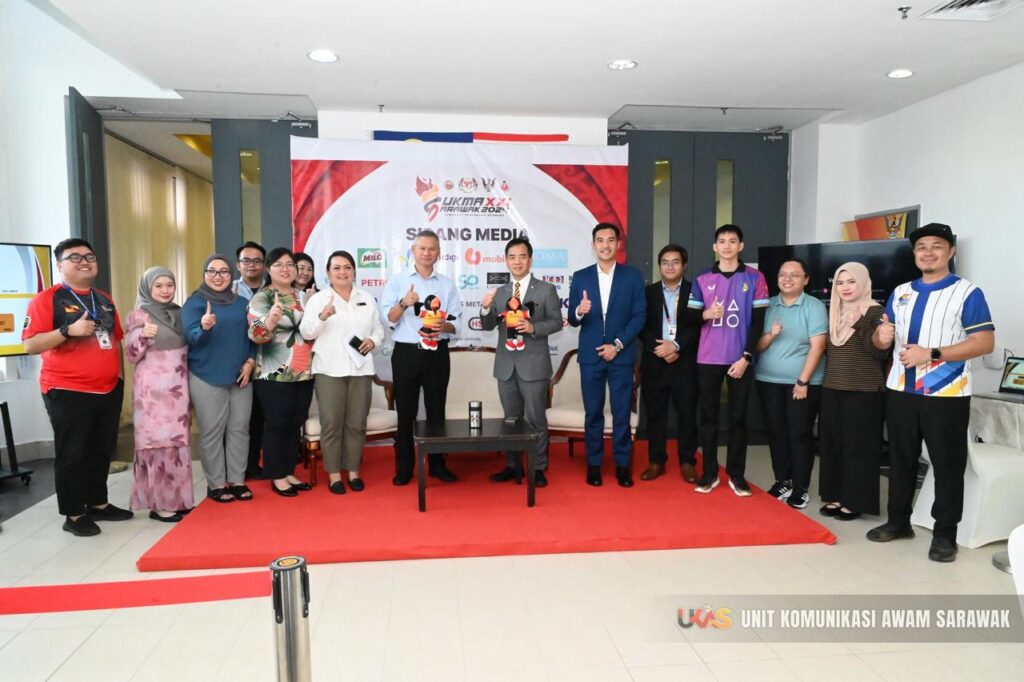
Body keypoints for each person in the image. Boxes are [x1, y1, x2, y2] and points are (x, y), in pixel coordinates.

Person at [868, 223, 995, 562]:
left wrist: (933, 354)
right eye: (921, 247)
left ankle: (945, 535)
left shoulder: (967, 293)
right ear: (914, 254)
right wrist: (880, 338)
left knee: (947, 465)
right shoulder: (900, 292)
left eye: (936, 246)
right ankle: (898, 522)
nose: (928, 252)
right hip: (900, 389)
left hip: (946, 393)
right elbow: (882, 338)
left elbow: (984, 342)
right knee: (901, 459)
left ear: (951, 251)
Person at [22, 238, 132, 536]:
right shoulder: (47, 299)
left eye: (90, 257)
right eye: (75, 257)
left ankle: (98, 503)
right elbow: (31, 344)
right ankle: (73, 514)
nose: (85, 262)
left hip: (108, 389)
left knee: (101, 449)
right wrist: (67, 330)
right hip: (67, 390)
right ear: (60, 265)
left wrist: (119, 380)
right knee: (72, 453)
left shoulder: (103, 298)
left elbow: (115, 340)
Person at [687, 224, 769, 496]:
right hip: (708, 358)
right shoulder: (702, 278)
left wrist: (747, 356)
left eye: (732, 241)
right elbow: (690, 317)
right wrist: (706, 314)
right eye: (722, 241)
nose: (727, 246)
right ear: (715, 247)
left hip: (740, 359)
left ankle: (736, 474)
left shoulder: (755, 278)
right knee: (708, 418)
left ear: (740, 246)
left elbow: (758, 322)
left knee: (738, 419)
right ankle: (709, 473)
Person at [567, 223, 646, 487]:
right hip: (590, 357)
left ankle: (622, 465)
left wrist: (618, 344)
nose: (605, 245)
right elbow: (572, 319)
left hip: (620, 356)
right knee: (593, 413)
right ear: (593, 245)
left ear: (618, 244)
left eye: (610, 240)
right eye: (600, 240)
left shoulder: (632, 276)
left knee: (621, 413)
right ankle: (594, 465)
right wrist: (579, 310)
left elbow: (639, 316)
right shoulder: (581, 277)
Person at [380, 229, 461, 485]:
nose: (427, 253)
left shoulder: (446, 284)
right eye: (422, 248)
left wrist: (444, 326)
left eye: (432, 249)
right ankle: (404, 468)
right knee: (406, 412)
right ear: (413, 251)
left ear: (438, 253)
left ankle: (437, 465)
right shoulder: (398, 281)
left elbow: (457, 324)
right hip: (407, 353)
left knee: (436, 410)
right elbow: (388, 319)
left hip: (437, 352)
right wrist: (404, 303)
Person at [299, 250, 384, 494]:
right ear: (327, 273)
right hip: (329, 370)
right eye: (336, 268)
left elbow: (379, 329)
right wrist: (322, 317)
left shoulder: (366, 298)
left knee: (357, 423)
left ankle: (353, 471)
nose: (342, 272)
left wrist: (373, 340)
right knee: (332, 423)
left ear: (354, 271)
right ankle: (334, 474)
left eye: (347, 267)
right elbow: (306, 332)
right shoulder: (318, 300)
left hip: (361, 369)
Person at [480, 237, 563, 487]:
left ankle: (538, 467)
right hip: (506, 366)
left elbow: (556, 322)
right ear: (506, 261)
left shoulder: (546, 289)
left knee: (536, 419)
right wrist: (485, 309)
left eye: (522, 256)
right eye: (512, 257)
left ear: (530, 259)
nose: (517, 262)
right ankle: (512, 465)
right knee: (511, 419)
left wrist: (533, 327)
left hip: (534, 365)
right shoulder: (500, 292)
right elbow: (488, 326)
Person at [818, 262, 889, 522]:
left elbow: (880, 352)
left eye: (851, 282)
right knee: (833, 446)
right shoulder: (835, 311)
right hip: (832, 387)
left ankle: (855, 501)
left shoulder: (875, 311)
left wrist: (859, 324)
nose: (845, 288)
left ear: (863, 283)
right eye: (840, 282)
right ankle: (835, 495)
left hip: (864, 390)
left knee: (859, 449)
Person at [754, 258, 827, 509]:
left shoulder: (814, 306)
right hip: (768, 380)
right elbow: (757, 345)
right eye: (782, 274)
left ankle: (800, 487)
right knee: (776, 433)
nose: (787, 279)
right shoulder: (768, 305)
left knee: (799, 434)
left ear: (805, 280)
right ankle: (782, 480)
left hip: (802, 383)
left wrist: (802, 380)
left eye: (794, 275)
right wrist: (771, 335)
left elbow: (818, 346)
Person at [183, 254, 257, 503]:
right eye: (212, 271)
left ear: (231, 274)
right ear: (204, 274)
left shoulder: (241, 303)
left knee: (239, 430)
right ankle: (215, 484)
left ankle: (237, 480)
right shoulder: (195, 303)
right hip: (206, 376)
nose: (218, 276)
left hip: (240, 377)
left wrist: (250, 361)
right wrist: (204, 327)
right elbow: (191, 338)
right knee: (212, 432)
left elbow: (252, 337)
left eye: (223, 271)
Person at [124, 267, 194, 522]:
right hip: (152, 393)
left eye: (169, 285)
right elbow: (131, 354)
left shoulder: (180, 312)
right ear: (147, 288)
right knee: (157, 444)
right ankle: (159, 504)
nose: (165, 290)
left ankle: (178, 499)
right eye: (159, 286)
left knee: (177, 444)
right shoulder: (138, 315)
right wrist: (143, 335)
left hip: (178, 388)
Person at [248, 248, 316, 497]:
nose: (286, 269)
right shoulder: (262, 297)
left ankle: (288, 471)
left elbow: (311, 329)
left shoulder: (302, 296)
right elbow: (255, 335)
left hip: (303, 370)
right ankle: (276, 475)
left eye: (290, 264)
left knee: (294, 423)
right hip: (273, 372)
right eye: (279, 265)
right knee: (277, 423)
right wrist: (270, 320)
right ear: (268, 269)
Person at [638, 244, 701, 483]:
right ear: (659, 266)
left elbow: (699, 326)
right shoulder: (648, 293)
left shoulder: (696, 292)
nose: (670, 266)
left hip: (685, 362)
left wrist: (676, 346)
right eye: (665, 262)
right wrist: (660, 348)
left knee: (687, 414)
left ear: (684, 265)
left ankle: (687, 462)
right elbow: (640, 325)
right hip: (655, 361)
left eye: (675, 262)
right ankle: (656, 461)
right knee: (655, 414)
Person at [235, 240, 267, 479]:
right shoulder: (228, 291)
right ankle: (233, 467)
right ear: (238, 265)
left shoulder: (273, 291)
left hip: (268, 363)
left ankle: (252, 465)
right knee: (237, 420)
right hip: (238, 363)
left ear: (264, 265)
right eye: (246, 260)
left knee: (258, 418)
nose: (252, 265)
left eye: (257, 261)